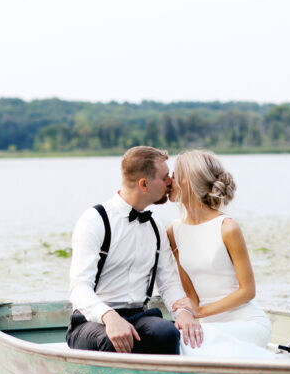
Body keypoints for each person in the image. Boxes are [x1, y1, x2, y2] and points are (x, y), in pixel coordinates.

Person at [67, 146, 203, 354]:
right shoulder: (95, 220)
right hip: (91, 321)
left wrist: (183, 311)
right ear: (144, 184)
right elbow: (79, 288)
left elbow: (168, 281)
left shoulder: (156, 225)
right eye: (165, 177)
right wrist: (109, 317)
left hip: (140, 317)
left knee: (167, 332)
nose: (170, 182)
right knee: (111, 340)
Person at [167, 150, 272, 358]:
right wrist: (188, 314)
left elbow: (248, 291)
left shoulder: (227, 228)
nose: (169, 180)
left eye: (174, 174)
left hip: (246, 323)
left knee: (186, 344)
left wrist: (201, 312)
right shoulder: (173, 231)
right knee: (177, 339)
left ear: (189, 180)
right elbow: (191, 295)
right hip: (207, 328)